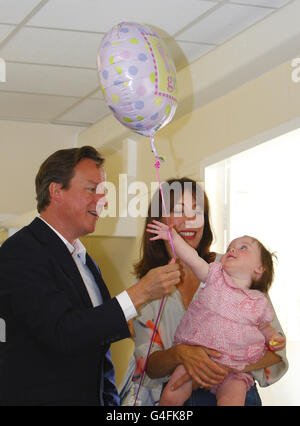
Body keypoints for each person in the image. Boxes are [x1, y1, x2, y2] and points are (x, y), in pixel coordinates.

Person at [0, 146, 180, 406]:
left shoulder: (85, 261)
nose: (103, 199)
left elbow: (95, 341)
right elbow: (63, 332)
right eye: (92, 189)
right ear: (56, 191)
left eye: (104, 192)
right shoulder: (21, 252)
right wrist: (140, 293)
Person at [119, 178, 288, 406]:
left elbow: (275, 351)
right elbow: (149, 366)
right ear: (158, 220)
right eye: (179, 210)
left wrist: (226, 365)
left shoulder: (236, 270)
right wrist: (180, 353)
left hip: (235, 390)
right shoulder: (148, 285)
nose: (189, 220)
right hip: (178, 392)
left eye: (197, 211)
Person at [147, 219, 285, 406]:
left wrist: (274, 339)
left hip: (234, 368)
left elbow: (265, 327)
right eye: (230, 247)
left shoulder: (258, 301)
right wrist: (173, 237)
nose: (232, 250)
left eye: (243, 247)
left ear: (259, 269)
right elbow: (192, 258)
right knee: (172, 395)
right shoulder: (214, 275)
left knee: (233, 399)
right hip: (194, 363)